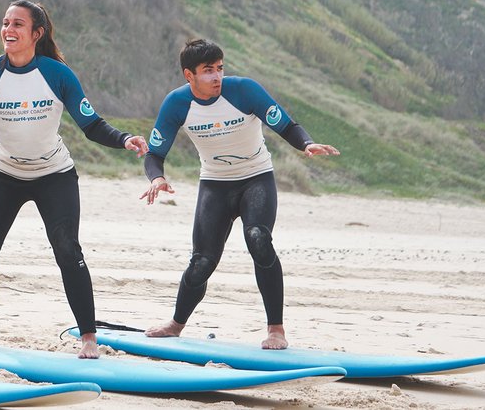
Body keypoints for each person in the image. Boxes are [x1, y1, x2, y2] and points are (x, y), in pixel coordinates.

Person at [0, 0, 148, 359]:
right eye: (5, 23)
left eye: (18, 24)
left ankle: (89, 336)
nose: (8, 29)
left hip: (54, 174)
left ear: (36, 34)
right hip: (3, 174)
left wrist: (123, 139)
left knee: (68, 252)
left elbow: (91, 125)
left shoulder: (57, 75)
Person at [141, 39, 339, 349]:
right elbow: (155, 154)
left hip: (255, 178)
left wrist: (306, 144)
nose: (217, 77)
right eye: (208, 71)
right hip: (214, 184)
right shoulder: (177, 103)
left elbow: (286, 125)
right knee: (202, 263)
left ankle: (276, 329)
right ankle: (176, 324)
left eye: (220, 68)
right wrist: (157, 178)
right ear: (188, 75)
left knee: (258, 239)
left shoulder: (244, 90)